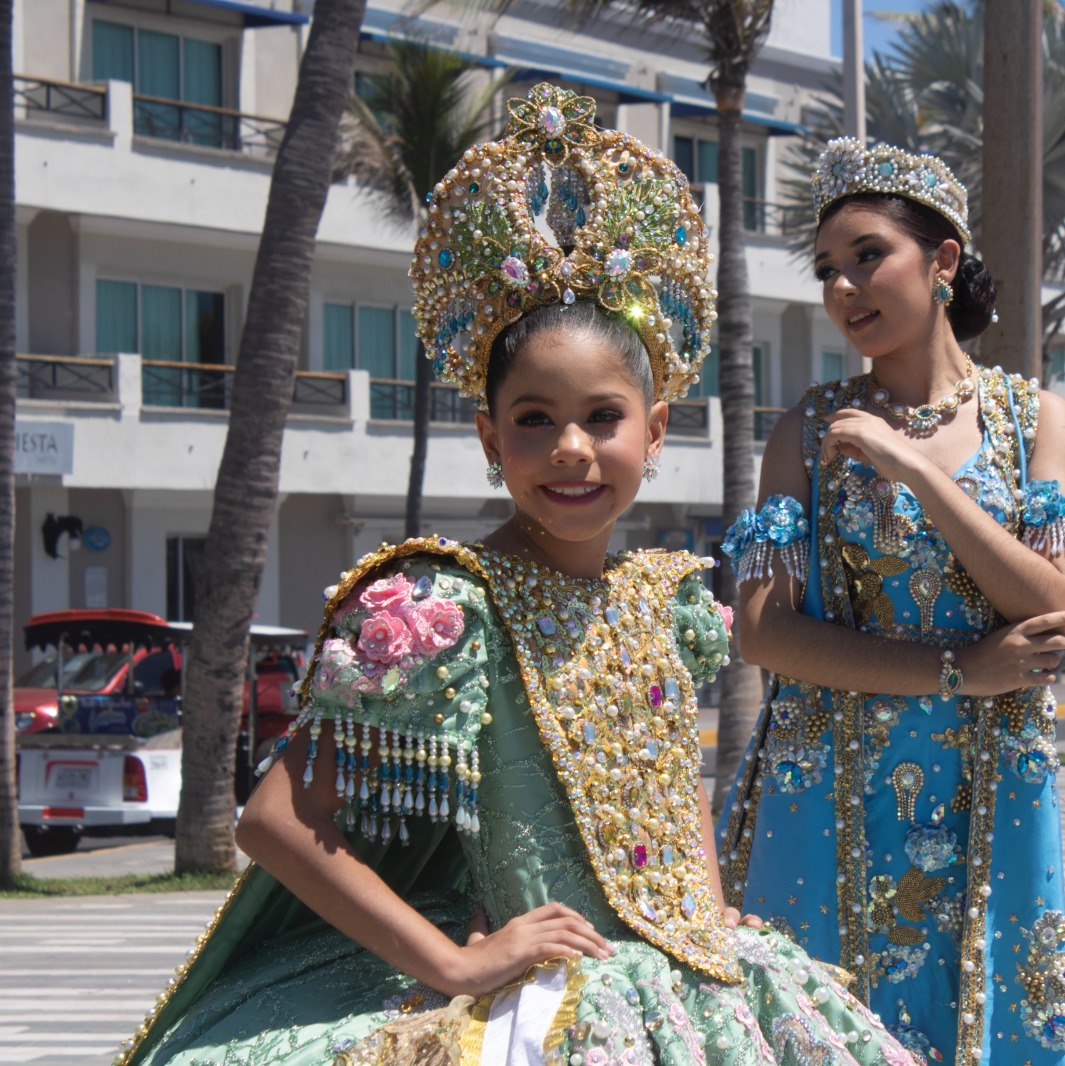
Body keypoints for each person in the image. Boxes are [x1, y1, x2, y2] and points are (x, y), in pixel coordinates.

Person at [120, 86, 922, 1066]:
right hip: (553, 1003)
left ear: (654, 432)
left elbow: (675, 798)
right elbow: (275, 821)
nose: (572, 448)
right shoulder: (446, 607)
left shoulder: (667, 598)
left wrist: (709, 917)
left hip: (702, 979)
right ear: (490, 438)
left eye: (603, 417)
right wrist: (454, 961)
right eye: (535, 420)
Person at [717, 137, 1065, 1066]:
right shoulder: (805, 431)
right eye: (827, 269)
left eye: (867, 256)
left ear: (943, 262)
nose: (844, 287)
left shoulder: (1036, 421)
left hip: (992, 779)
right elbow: (764, 633)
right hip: (826, 785)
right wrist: (961, 670)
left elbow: (1051, 602)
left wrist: (918, 472)